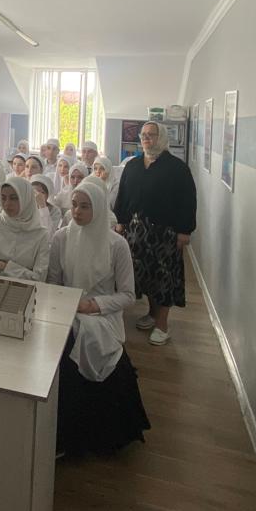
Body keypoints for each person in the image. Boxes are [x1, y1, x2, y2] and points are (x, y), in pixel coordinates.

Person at [47, 182, 150, 456]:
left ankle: (91, 436)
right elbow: (54, 283)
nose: (77, 212)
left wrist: (93, 305)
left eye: (85, 206)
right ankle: (61, 434)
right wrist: (67, 305)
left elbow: (128, 295)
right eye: (74, 205)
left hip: (102, 314)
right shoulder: (61, 238)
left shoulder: (117, 245)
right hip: (68, 309)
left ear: (100, 209)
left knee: (90, 342)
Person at [113, 120, 196, 346]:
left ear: (162, 138)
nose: (146, 138)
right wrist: (120, 222)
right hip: (136, 232)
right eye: (143, 135)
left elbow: (187, 201)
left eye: (151, 134)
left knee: (163, 278)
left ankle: (162, 325)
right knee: (144, 276)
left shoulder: (177, 168)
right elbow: (123, 195)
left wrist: (184, 231)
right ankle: (152, 313)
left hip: (165, 233)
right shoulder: (133, 165)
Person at [0, 175, 50, 281]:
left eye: (14, 198)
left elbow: (39, 278)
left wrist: (5, 267)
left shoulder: (41, 234)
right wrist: (18, 273)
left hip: (23, 290)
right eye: (3, 198)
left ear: (26, 199)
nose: (7, 204)